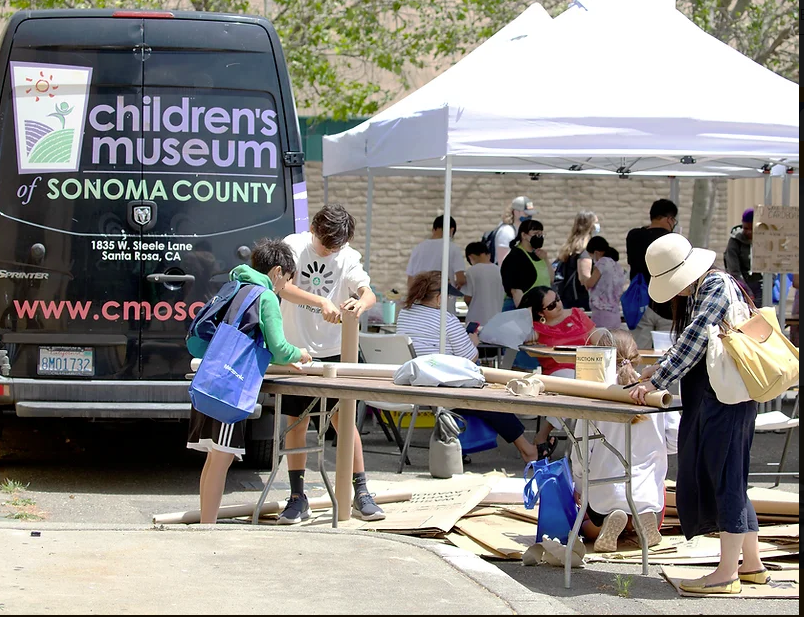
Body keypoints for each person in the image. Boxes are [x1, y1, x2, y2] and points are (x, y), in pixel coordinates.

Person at [629, 234, 765, 595]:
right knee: (732, 477)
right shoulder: (716, 284)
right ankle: (751, 565)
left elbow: (694, 340)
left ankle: (726, 574)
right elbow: (693, 341)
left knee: (725, 480)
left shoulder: (715, 286)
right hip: (730, 397)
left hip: (725, 401)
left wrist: (655, 378)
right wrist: (655, 373)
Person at [186, 238, 313, 524]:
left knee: (213, 460)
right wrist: (300, 353)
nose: (282, 289)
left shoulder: (235, 286)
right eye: (285, 282)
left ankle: (206, 525)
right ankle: (207, 530)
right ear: (278, 272)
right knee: (221, 459)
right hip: (230, 387)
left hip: (209, 379)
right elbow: (279, 348)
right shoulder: (264, 296)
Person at [277, 203, 385, 523]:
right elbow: (283, 287)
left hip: (336, 351)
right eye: (326, 244)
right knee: (296, 422)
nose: (330, 251)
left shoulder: (348, 256)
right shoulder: (293, 246)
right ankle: (298, 496)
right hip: (298, 351)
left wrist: (359, 303)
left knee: (344, 421)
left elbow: (368, 292)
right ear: (313, 230)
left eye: (336, 246)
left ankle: (360, 492)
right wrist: (321, 300)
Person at [396, 271, 548, 462]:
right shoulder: (447, 320)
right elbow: (470, 356)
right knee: (492, 399)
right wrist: (472, 340)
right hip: (440, 385)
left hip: (412, 382)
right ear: (439, 297)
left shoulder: (404, 314)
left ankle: (462, 447)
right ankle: (527, 449)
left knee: (482, 398)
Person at [572, 328, 680, 552]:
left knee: (584, 527)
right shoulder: (656, 392)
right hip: (648, 493)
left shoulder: (594, 394)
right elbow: (676, 440)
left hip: (605, 495)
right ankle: (640, 521)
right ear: (637, 356)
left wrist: (579, 485)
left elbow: (581, 452)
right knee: (644, 507)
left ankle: (614, 519)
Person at [519, 286, 597, 459]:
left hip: (588, 368)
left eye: (558, 299)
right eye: (552, 305)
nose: (558, 305)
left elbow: (596, 336)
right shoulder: (536, 329)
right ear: (540, 312)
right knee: (571, 385)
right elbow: (515, 335)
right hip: (557, 372)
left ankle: (554, 438)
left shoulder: (577, 314)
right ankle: (544, 435)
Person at [626, 198, 678, 349]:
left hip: (640, 302)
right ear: (669, 219)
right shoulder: (673, 239)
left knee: (640, 352)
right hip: (667, 303)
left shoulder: (634, 236)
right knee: (666, 353)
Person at [406, 215, 466, 314]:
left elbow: (410, 280)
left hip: (420, 303)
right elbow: (461, 279)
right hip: (442, 303)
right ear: (451, 230)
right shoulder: (452, 248)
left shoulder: (418, 248)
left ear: (434, 229)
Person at [499, 219, 553, 311]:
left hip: (539, 308)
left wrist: (546, 259)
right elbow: (516, 291)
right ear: (524, 235)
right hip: (520, 309)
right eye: (536, 233)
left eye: (541, 234)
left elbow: (551, 280)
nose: (539, 237)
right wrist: (527, 315)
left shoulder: (539, 255)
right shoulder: (515, 258)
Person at [555, 211, 597, 310]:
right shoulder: (584, 251)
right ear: (590, 226)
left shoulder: (571, 248)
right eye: (595, 223)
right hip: (581, 302)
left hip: (568, 298)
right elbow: (584, 279)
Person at [583, 236, 627, 330]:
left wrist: (585, 279)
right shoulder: (617, 265)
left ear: (596, 253)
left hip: (601, 312)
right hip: (615, 312)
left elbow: (590, 283)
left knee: (601, 341)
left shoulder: (602, 263)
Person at [462, 241, 505, 327]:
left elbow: (467, 298)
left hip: (476, 320)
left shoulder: (472, 271)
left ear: (471, 257)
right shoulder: (500, 271)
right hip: (497, 320)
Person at [724, 208, 763, 301]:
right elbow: (734, 270)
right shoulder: (735, 240)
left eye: (752, 228)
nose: (749, 232)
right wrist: (747, 291)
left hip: (761, 284)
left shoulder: (764, 239)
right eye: (746, 228)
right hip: (741, 284)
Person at [491, 195, 535, 265]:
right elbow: (502, 262)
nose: (529, 217)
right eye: (526, 213)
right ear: (516, 212)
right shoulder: (506, 231)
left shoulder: (518, 231)